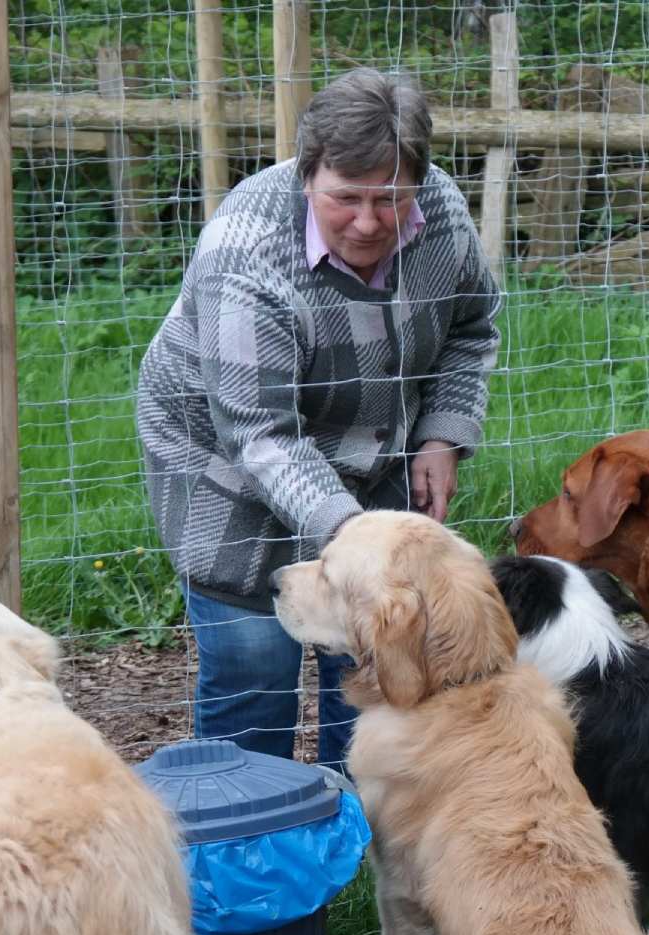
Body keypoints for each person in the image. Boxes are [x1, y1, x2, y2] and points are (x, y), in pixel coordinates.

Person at [136, 69, 501, 770]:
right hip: (228, 470)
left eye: (390, 199)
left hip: (373, 452)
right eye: (345, 200)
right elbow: (261, 435)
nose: (367, 222)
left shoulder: (444, 216)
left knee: (369, 668)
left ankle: (356, 824)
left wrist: (442, 435)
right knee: (254, 673)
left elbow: (473, 326)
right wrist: (359, 543)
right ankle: (249, 849)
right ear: (308, 175)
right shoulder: (247, 257)